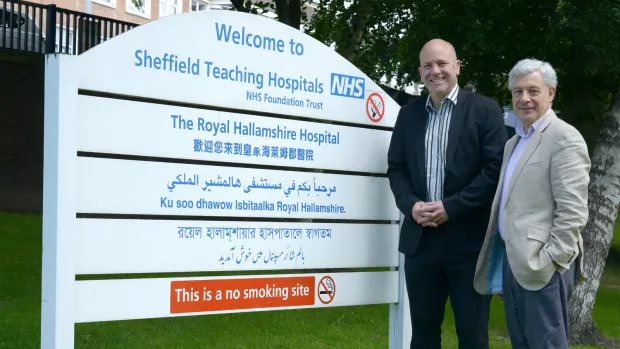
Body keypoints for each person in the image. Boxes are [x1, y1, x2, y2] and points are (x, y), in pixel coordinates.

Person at [386, 38, 508, 349]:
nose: (435, 70)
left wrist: (450, 208)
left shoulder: (485, 110)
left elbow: (493, 171)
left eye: (442, 63)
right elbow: (396, 169)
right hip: (420, 242)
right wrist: (411, 206)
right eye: (428, 65)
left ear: (457, 67)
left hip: (468, 244)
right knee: (424, 334)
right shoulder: (408, 115)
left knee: (472, 335)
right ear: (420, 71)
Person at [473, 58, 590, 349]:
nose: (524, 98)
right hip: (515, 265)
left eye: (533, 91)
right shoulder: (514, 142)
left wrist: (551, 260)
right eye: (517, 92)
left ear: (551, 93)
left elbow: (573, 212)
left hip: (544, 268)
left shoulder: (565, 137)